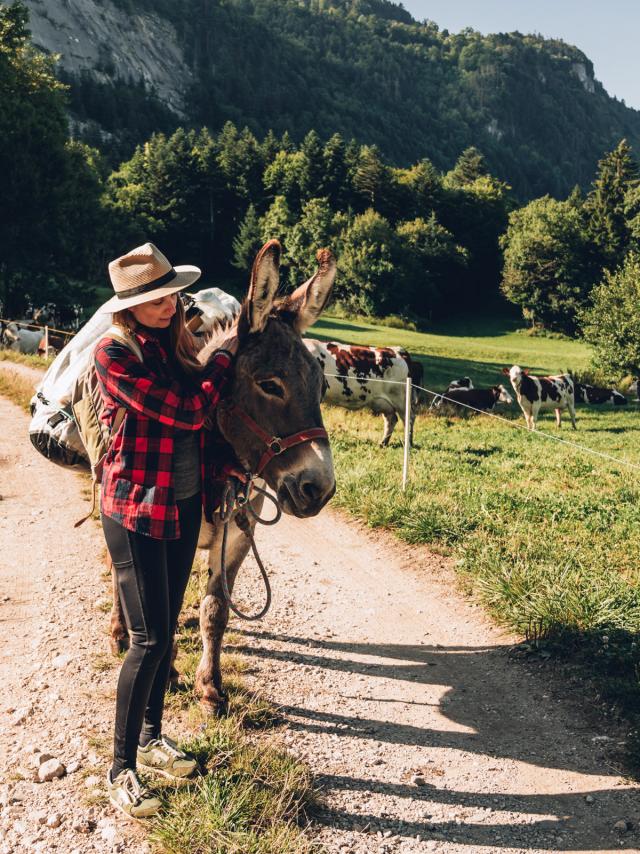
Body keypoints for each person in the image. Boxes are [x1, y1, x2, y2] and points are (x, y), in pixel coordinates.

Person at [95, 243, 238, 819]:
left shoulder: (174, 342)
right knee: (148, 638)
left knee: (168, 628)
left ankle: (153, 739)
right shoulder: (115, 353)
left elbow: (202, 434)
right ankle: (119, 768)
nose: (169, 303)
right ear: (129, 305)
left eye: (171, 294)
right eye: (155, 298)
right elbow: (184, 413)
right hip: (133, 509)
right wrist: (222, 362)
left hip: (180, 505)